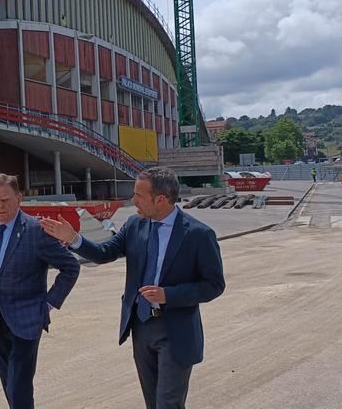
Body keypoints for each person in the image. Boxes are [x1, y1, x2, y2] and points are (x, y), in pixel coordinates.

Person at [41, 166, 225, 409]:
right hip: (141, 325)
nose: (132, 200)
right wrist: (74, 238)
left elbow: (214, 285)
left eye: (138, 195)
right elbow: (105, 252)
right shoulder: (135, 225)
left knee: (168, 404)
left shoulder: (199, 235)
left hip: (176, 330)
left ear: (160, 199)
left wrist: (168, 295)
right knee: (152, 402)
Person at [0, 173, 80, 409]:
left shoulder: (36, 231)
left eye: (5, 200)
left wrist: (48, 304)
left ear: (19, 198)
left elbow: (71, 267)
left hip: (26, 322)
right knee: (9, 385)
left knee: (19, 386)